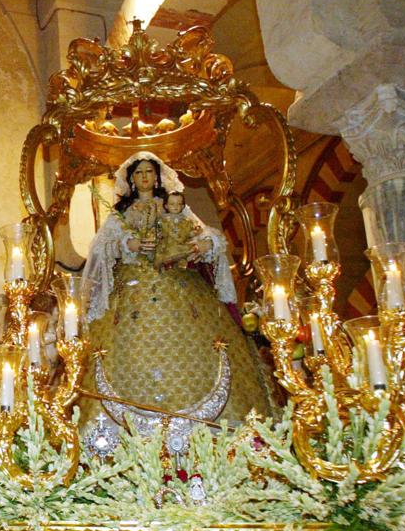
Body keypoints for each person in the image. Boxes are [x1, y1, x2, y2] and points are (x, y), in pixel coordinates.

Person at [75, 152, 271, 451]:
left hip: (181, 290)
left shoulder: (175, 207)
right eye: (138, 173)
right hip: (131, 294)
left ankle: (216, 437)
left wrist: (202, 245)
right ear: (130, 179)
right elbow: (101, 248)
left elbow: (208, 237)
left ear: (157, 177)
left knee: (196, 347)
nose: (144, 178)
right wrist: (129, 243)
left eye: (149, 172)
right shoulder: (120, 216)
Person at [153, 191, 200, 270]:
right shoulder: (162, 219)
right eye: (172, 204)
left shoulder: (187, 221)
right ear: (166, 206)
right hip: (167, 246)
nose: (176, 206)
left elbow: (189, 233)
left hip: (181, 246)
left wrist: (194, 233)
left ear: (182, 206)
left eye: (179, 204)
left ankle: (181, 265)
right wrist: (158, 234)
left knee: (187, 254)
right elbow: (156, 230)